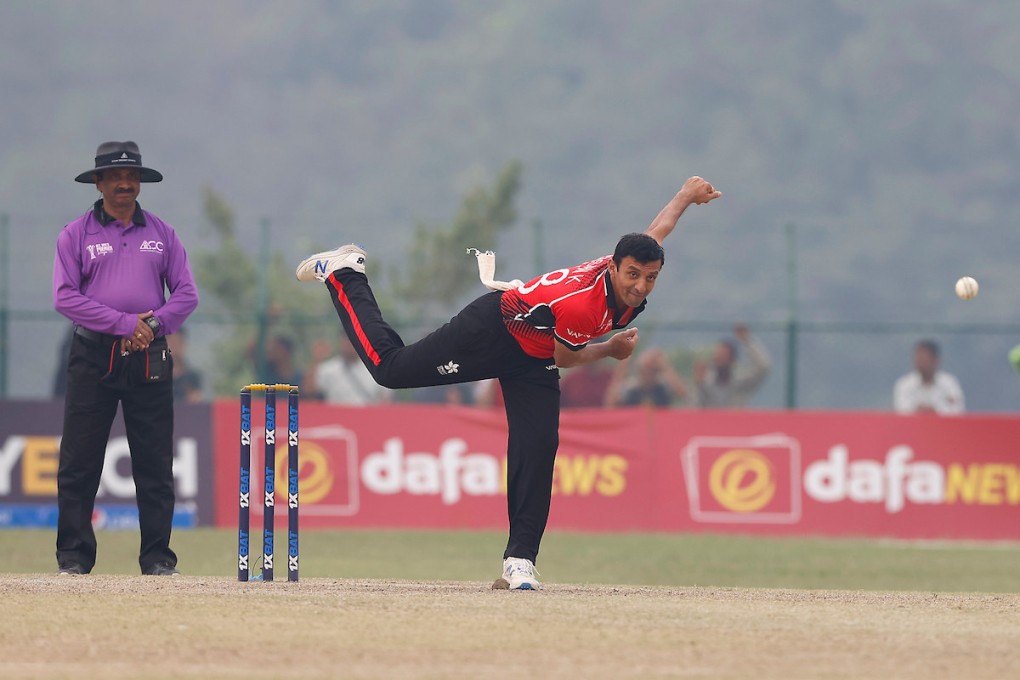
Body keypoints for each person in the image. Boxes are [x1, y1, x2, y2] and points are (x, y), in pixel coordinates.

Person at [295, 175, 721, 589]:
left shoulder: (636, 263)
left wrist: (685, 195)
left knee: (538, 446)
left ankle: (520, 561)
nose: (640, 286)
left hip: (531, 356)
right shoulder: (583, 308)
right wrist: (611, 350)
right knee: (390, 370)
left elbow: (656, 231)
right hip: (493, 332)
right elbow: (567, 356)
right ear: (612, 267)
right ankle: (345, 273)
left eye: (650, 278)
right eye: (632, 275)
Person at [52, 141, 198, 576]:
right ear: (97, 183)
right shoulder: (76, 234)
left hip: (149, 354)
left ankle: (157, 558)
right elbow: (65, 298)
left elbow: (187, 294)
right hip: (94, 354)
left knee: (154, 462)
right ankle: (75, 558)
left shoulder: (162, 234)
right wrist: (122, 324)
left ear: (139, 183)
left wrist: (151, 327)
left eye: (131, 176)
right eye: (115, 176)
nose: (124, 183)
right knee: (79, 461)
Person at [692, 323, 770, 408]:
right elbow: (696, 406)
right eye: (717, 356)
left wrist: (747, 341)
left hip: (737, 420)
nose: (719, 360)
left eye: (723, 356)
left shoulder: (742, 380)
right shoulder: (707, 380)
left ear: (732, 360)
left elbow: (763, 368)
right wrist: (699, 385)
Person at [305, 336, 387, 405]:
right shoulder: (328, 369)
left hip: (368, 418)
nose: (350, 344)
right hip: (336, 418)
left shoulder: (375, 367)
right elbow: (310, 392)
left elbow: (385, 399)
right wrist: (316, 359)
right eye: (347, 340)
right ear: (341, 341)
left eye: (353, 339)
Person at [893, 339, 965, 415]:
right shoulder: (905, 384)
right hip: (914, 426)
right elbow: (901, 411)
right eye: (917, 358)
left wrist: (935, 411)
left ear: (935, 360)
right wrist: (919, 411)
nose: (919, 363)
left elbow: (957, 410)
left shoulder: (949, 383)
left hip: (943, 426)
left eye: (924, 358)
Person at [605, 347, 688, 407]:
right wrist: (623, 368)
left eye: (651, 370)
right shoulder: (631, 390)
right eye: (643, 370)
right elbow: (610, 403)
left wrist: (665, 367)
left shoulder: (662, 389)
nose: (647, 374)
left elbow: (683, 395)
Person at [166, 327, 203, 403]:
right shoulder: (156, 376)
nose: (175, 347)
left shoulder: (193, 377)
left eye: (179, 342)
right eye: (172, 342)